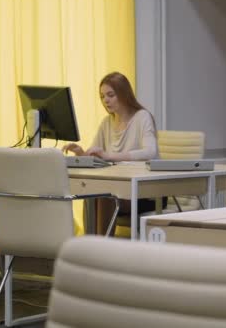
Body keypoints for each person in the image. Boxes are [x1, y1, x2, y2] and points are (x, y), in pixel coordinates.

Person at [63, 71, 165, 234]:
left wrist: (109, 155)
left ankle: (101, 250)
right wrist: (81, 153)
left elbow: (150, 152)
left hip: (146, 192)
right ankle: (91, 247)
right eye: (102, 96)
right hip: (119, 189)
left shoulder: (142, 117)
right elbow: (95, 155)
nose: (106, 100)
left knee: (105, 194)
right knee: (92, 193)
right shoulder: (107, 123)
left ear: (124, 94)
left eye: (111, 95)